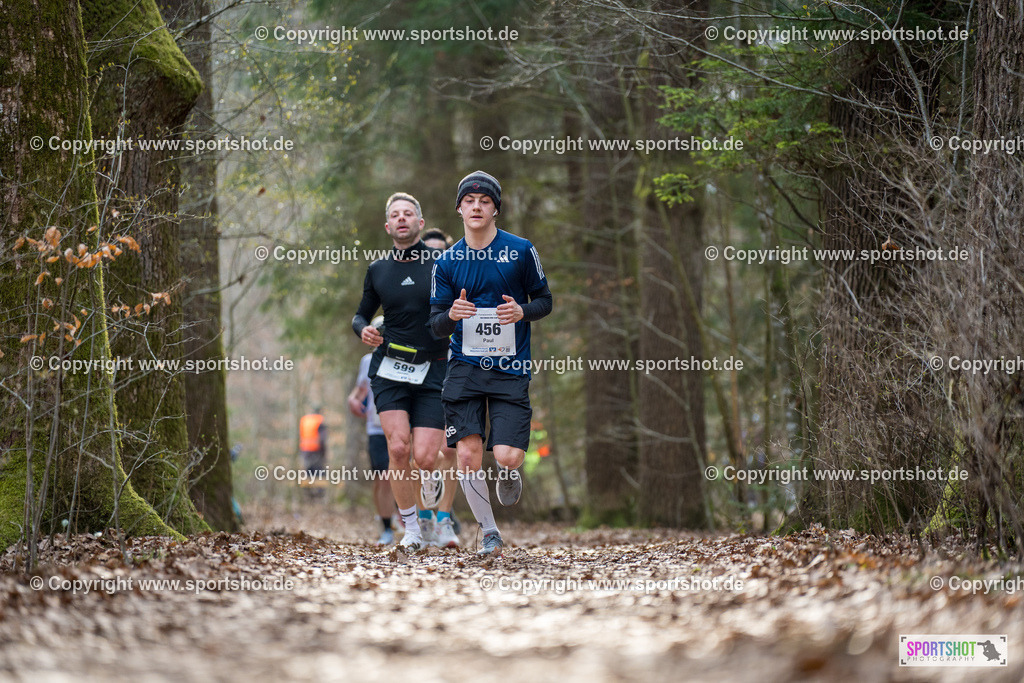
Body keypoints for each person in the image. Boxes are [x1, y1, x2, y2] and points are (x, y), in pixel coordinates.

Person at [429, 171, 553, 556]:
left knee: (506, 454)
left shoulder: (520, 251)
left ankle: (508, 470)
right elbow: (434, 326)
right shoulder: (447, 262)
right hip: (464, 368)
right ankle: (489, 531)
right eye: (470, 201)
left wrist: (522, 311)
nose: (477, 206)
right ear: (460, 209)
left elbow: (545, 301)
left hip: (510, 367)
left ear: (495, 209)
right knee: (466, 454)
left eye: (485, 201)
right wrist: (452, 314)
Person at [352, 192, 451, 550]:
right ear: (388, 226)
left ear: (420, 223)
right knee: (397, 448)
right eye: (395, 215)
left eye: (409, 213)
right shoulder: (378, 269)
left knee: (425, 457)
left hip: (434, 367)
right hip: (390, 367)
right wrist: (361, 328)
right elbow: (361, 313)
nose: (402, 218)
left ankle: (428, 487)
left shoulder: (441, 263)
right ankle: (410, 530)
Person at [348, 340, 399, 545]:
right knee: (383, 477)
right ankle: (386, 528)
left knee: (406, 472)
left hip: (403, 425)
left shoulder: (408, 360)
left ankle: (412, 518)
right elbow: (359, 391)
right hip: (376, 428)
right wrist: (352, 399)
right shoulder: (368, 362)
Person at [298, 407, 327, 501]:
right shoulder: (319, 420)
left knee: (308, 472)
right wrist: (324, 452)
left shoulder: (304, 420)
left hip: (305, 450)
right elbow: (322, 439)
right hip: (316, 450)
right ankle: (319, 495)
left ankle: (308, 494)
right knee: (318, 473)